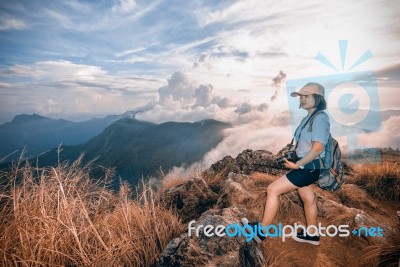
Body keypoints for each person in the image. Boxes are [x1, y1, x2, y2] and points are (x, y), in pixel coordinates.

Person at [246, 82, 330, 245]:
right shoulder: (309, 118)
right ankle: (312, 234)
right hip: (310, 167)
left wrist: (298, 164)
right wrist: (291, 152)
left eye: (307, 96)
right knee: (307, 197)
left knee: (272, 190)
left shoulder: (320, 119)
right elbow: (304, 144)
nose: (302, 99)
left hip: (308, 167)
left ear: (318, 98)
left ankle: (261, 232)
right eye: (301, 96)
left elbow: (318, 148)